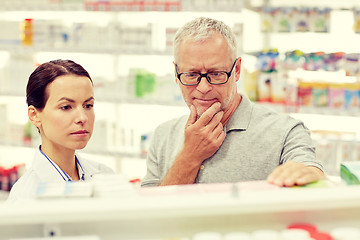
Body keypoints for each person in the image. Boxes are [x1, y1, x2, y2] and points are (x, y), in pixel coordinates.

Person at [141, 17, 325, 188]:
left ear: (236, 70)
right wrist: (189, 157)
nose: (203, 87)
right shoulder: (162, 135)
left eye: (216, 74)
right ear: (176, 73)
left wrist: (308, 173)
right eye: (191, 75)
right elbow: (150, 214)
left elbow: (310, 170)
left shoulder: (285, 131)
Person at [7, 59, 114, 202]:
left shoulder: (106, 176)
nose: (82, 118)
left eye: (88, 105)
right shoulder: (25, 196)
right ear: (34, 115)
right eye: (66, 107)